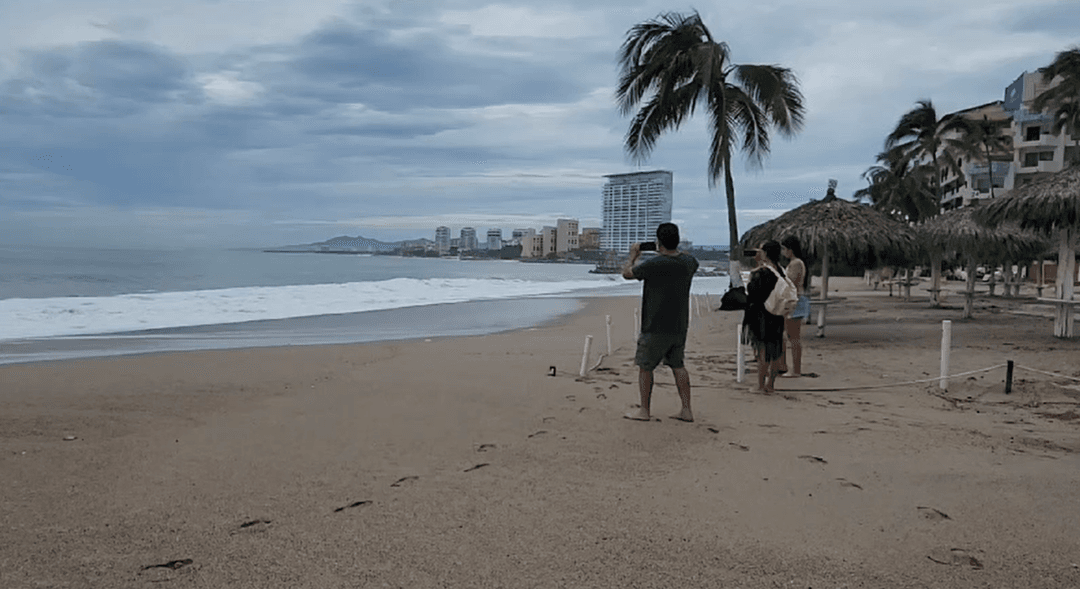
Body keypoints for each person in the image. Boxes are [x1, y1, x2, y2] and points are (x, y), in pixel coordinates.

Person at [621, 222, 699, 422]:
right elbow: (690, 260)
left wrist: (633, 255)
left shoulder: (655, 264)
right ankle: (687, 409)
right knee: (678, 365)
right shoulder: (689, 262)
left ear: (658, 242)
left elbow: (627, 273)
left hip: (655, 323)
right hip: (679, 323)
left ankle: (644, 410)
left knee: (646, 367)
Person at [743, 241, 786, 394]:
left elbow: (751, 292)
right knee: (775, 350)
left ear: (765, 253)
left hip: (761, 314)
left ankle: (761, 386)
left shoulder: (760, 272)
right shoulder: (781, 271)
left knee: (762, 351)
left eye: (760, 250)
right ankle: (771, 385)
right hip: (777, 313)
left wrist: (756, 267)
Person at [779, 235, 809, 377]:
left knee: (794, 336)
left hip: (795, 302)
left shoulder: (796, 263)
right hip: (794, 300)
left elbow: (792, 283)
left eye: (784, 249)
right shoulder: (795, 263)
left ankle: (796, 370)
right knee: (789, 335)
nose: (783, 252)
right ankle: (787, 366)